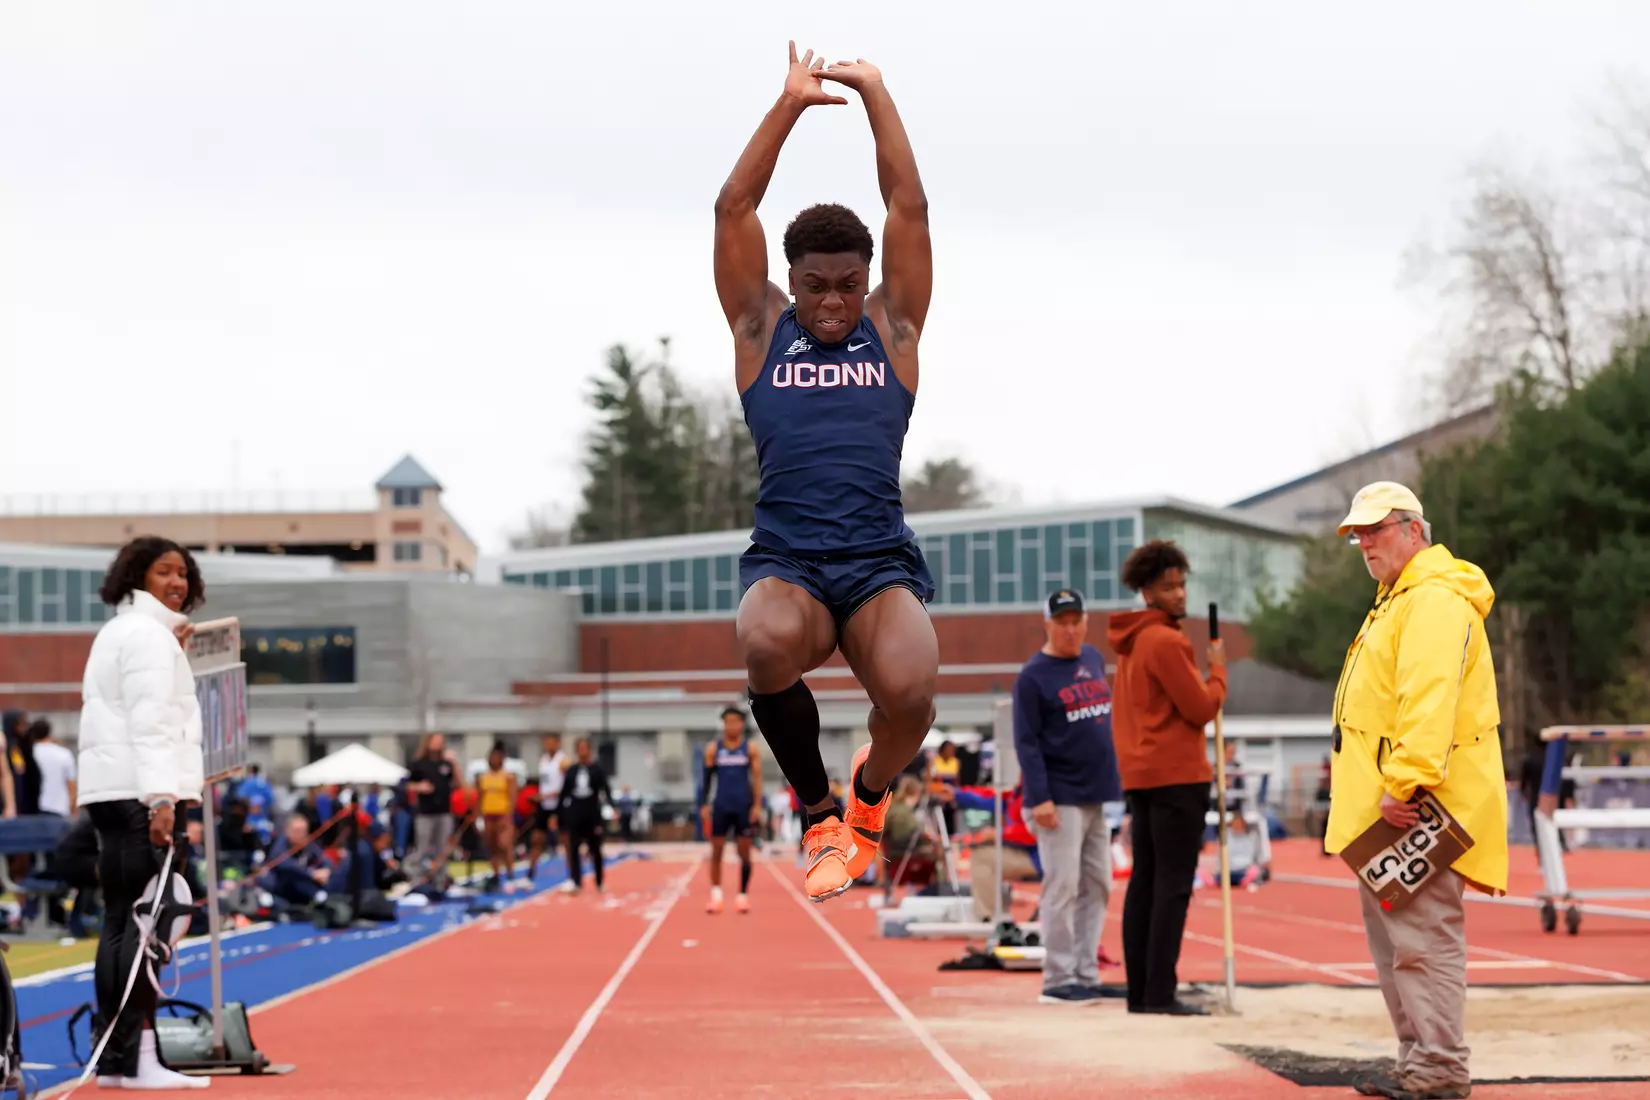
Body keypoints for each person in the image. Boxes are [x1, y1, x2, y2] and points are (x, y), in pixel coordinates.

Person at [713, 42, 937, 902]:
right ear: (791, 282)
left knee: (914, 690)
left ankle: (867, 801)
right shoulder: (759, 330)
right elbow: (735, 204)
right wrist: (790, 105)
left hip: (877, 562)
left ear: (869, 280)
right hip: (792, 562)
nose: (835, 302)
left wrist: (877, 90)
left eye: (849, 284)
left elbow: (907, 202)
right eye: (817, 286)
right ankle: (816, 814)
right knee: (762, 642)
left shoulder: (898, 331)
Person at [1328, 482, 1507, 1100]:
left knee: (1422, 940)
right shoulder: (1397, 599)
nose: (1364, 543)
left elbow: (1428, 700)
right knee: (1397, 947)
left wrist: (1405, 781)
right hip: (1393, 810)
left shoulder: (1431, 599)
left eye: (1375, 529)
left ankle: (1438, 1067)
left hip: (1416, 805)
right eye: (1358, 533)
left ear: (1413, 529)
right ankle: (1419, 1061)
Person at [76, 535, 209, 1090]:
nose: (176, 582)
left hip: (113, 789)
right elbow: (152, 721)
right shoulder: (148, 639)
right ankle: (135, 1058)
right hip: (139, 793)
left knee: (118, 925)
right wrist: (162, 797)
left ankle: (117, 1059)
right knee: (143, 928)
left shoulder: (126, 631)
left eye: (183, 573)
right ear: (137, 576)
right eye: (164, 572)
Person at [1108, 540, 1227, 1017]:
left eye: (1182, 584)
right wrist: (1217, 669)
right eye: (1168, 587)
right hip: (1177, 777)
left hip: (1142, 776)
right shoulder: (1167, 641)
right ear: (1147, 591)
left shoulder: (1132, 643)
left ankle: (1142, 993)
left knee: (1146, 883)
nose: (1179, 594)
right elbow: (1200, 707)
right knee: (1172, 886)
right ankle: (1160, 992)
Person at [1012, 589, 1123, 1005]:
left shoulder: (1092, 659)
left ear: (1086, 623)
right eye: (1062, 622)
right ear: (1048, 624)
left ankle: (1084, 972)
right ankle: (1058, 980)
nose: (1070, 629)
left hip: (1097, 794)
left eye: (1077, 621)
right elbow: (1026, 741)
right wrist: (1039, 797)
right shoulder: (1033, 676)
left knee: (1099, 884)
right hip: (1057, 798)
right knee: (1062, 887)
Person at [700, 706, 763, 914]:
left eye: (735, 721)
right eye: (728, 722)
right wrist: (703, 804)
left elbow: (757, 778)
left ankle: (742, 895)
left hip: (743, 807)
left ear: (742, 724)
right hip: (721, 806)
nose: (732, 726)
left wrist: (757, 805)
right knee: (716, 851)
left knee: (744, 852)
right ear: (723, 724)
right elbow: (707, 780)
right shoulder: (714, 749)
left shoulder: (750, 748)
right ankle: (716, 896)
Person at [557, 738, 611, 894]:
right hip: (576, 813)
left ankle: (599, 881)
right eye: (579, 748)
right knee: (573, 849)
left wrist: (612, 807)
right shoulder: (572, 770)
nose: (582, 751)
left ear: (589, 750)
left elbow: (606, 789)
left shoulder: (597, 770)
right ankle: (576, 881)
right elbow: (564, 793)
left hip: (592, 813)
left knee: (596, 850)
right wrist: (559, 814)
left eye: (585, 748)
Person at [406, 733, 459, 888]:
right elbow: (405, 784)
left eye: (440, 741)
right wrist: (419, 787)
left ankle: (440, 882)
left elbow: (459, 783)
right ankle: (416, 880)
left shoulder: (446, 763)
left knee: (442, 849)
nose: (438, 743)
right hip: (425, 813)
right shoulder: (419, 763)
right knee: (422, 848)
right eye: (435, 740)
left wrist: (455, 763)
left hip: (444, 812)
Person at [474, 743, 518, 893]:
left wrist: (508, 816)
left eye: (497, 757)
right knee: (492, 846)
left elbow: (512, 797)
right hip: (488, 815)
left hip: (503, 814)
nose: (494, 760)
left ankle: (511, 874)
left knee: (504, 844)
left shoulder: (508, 776)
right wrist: (477, 816)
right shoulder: (483, 778)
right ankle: (496, 875)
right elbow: (479, 798)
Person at [527, 734, 568, 881]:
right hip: (544, 805)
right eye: (546, 743)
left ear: (557, 743)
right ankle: (531, 872)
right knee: (536, 838)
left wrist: (547, 795)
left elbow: (566, 786)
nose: (549, 745)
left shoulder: (563, 761)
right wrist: (539, 796)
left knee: (565, 838)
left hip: (559, 804)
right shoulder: (543, 760)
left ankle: (572, 873)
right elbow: (545, 783)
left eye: (551, 742)